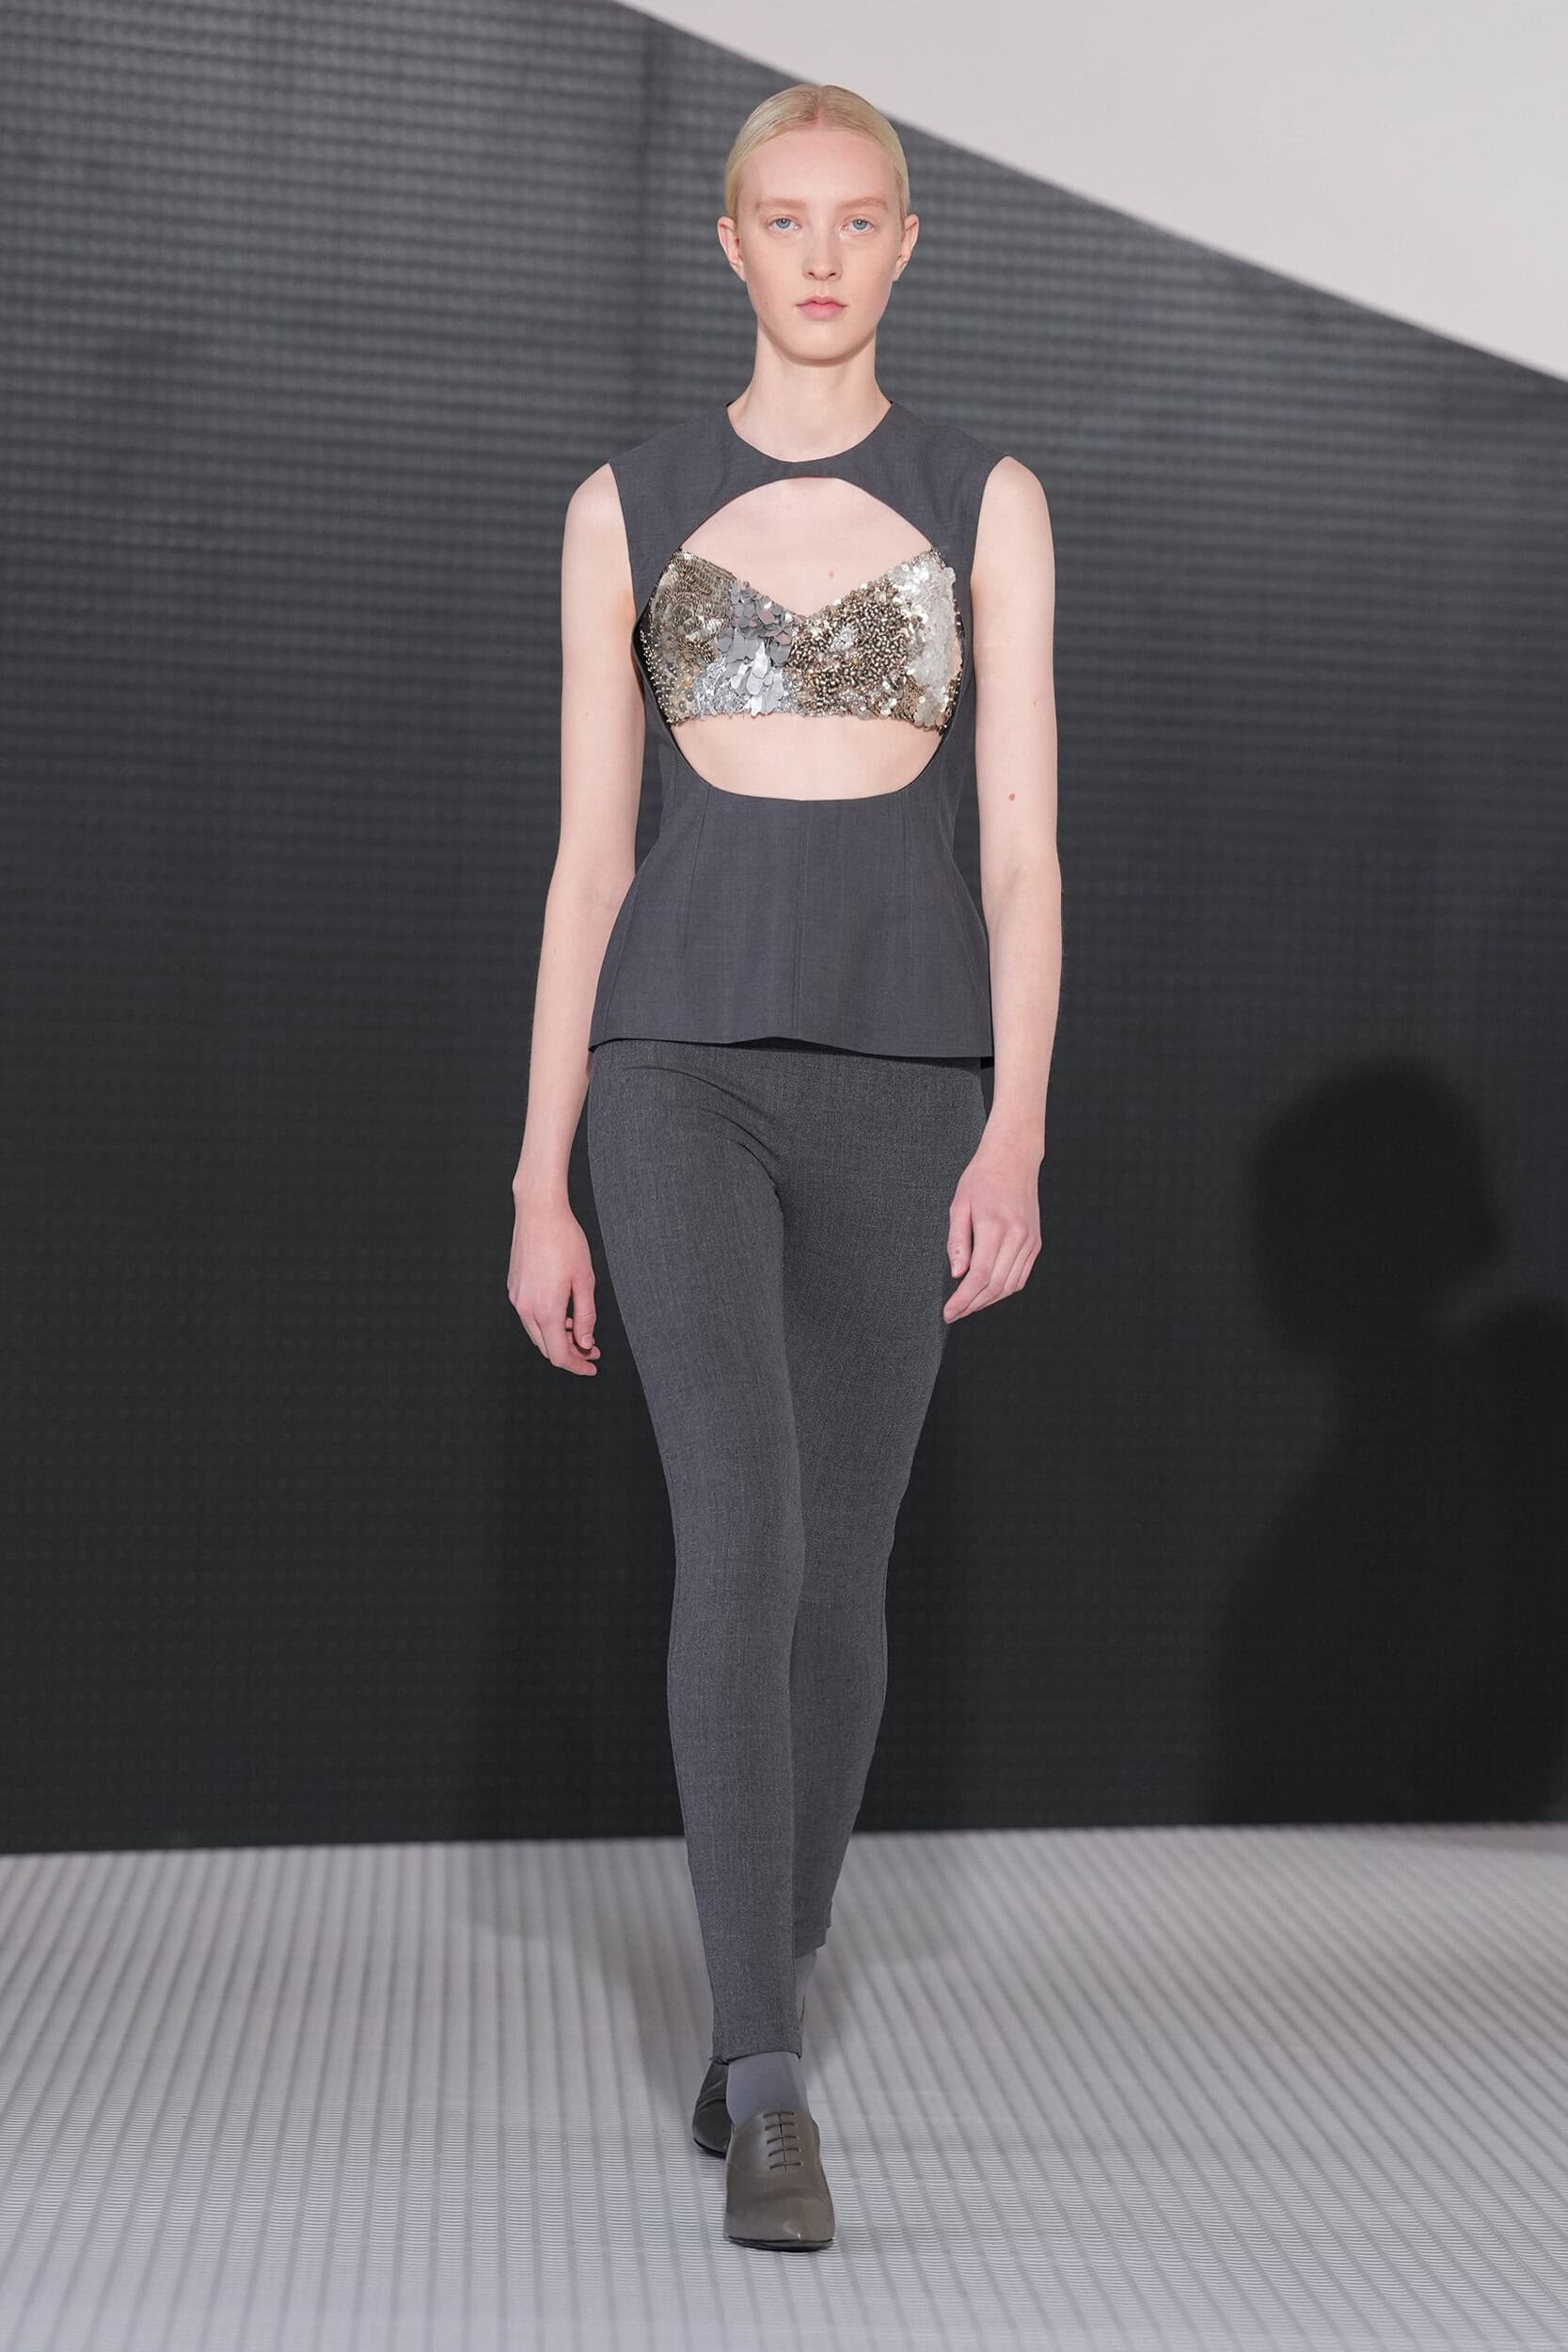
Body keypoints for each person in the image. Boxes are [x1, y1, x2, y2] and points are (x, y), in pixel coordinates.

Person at [508, 81, 1060, 2252]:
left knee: (842, 1575)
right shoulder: (625, 504)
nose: (820, 254)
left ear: (906, 245)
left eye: (858, 219)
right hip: (675, 1076)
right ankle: (764, 2073)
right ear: (727, 243)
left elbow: (1020, 851)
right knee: (740, 1536)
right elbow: (588, 862)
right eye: (783, 218)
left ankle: (774, 1947)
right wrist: (537, 1173)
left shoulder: (983, 497)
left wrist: (1019, 1119)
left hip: (913, 1082)